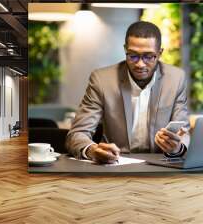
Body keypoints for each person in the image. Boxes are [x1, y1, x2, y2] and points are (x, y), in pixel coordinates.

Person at [65, 21, 190, 164]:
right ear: (125, 49)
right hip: (114, 166)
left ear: (160, 53)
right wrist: (92, 150)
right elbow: (77, 134)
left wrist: (177, 148)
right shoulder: (102, 80)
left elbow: (183, 132)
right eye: (133, 56)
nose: (140, 64)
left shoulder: (176, 79)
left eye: (149, 56)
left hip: (161, 166)